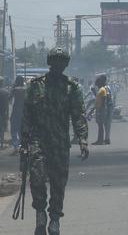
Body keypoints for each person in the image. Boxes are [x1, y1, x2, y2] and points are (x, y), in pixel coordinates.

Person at [21, 47, 88, 235]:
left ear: (66, 64)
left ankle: (55, 219)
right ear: (50, 63)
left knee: (58, 183)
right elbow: (27, 115)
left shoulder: (71, 87)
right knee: (37, 179)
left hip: (60, 143)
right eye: (55, 61)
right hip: (37, 141)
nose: (58, 65)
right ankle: (40, 213)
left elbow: (78, 116)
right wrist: (23, 142)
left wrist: (83, 139)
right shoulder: (35, 85)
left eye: (62, 62)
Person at [10, 75, 27, 152]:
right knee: (21, 130)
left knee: (14, 129)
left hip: (15, 111)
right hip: (23, 112)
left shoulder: (14, 90)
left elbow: (9, 98)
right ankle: (21, 145)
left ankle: (15, 146)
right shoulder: (25, 90)